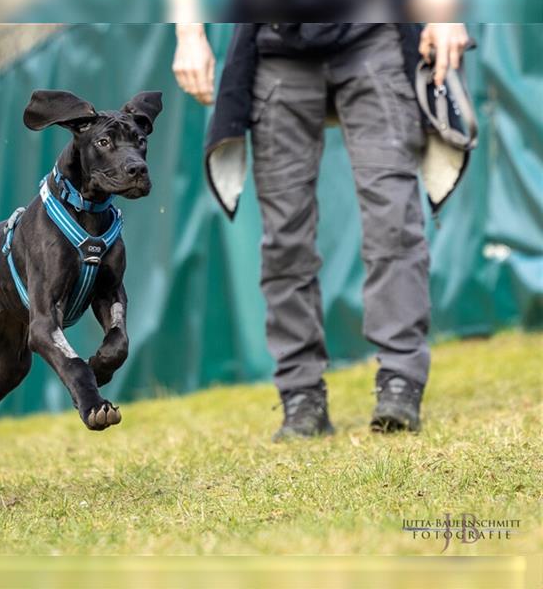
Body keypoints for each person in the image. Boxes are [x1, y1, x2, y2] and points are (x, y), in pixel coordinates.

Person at [173, 22, 471, 439]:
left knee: (394, 224)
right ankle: (301, 396)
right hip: (275, 46)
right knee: (284, 239)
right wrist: (190, 36)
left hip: (374, 35)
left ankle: (401, 382)